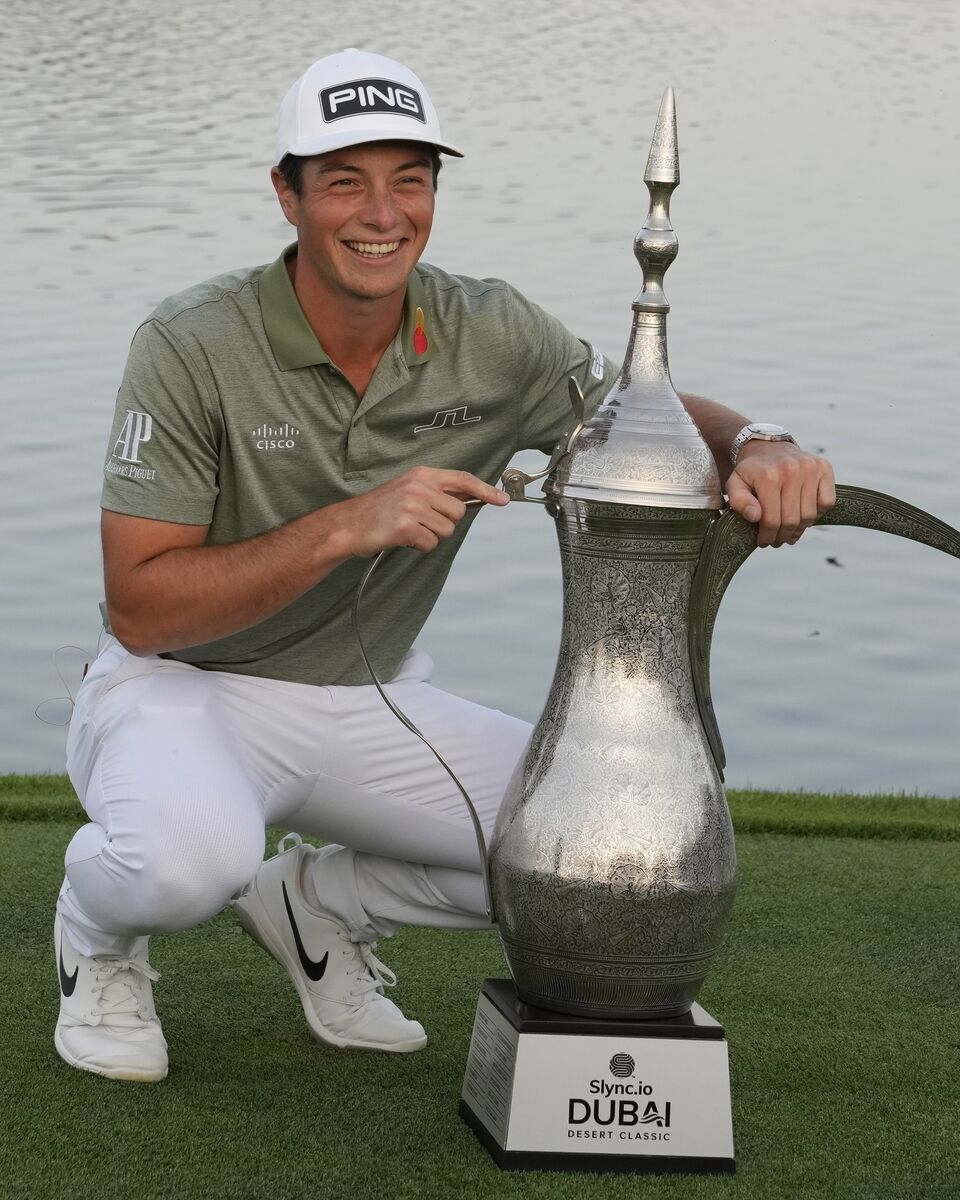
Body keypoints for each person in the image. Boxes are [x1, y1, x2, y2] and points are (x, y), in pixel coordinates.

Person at [54, 49, 836, 1082]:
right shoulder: (191, 342)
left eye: (410, 180)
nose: (383, 214)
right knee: (183, 865)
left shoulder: (492, 332)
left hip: (367, 698)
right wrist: (346, 525)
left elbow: (637, 415)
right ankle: (96, 938)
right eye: (344, 181)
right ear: (287, 195)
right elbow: (142, 608)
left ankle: (318, 905)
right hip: (177, 688)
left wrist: (759, 442)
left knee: (600, 841)